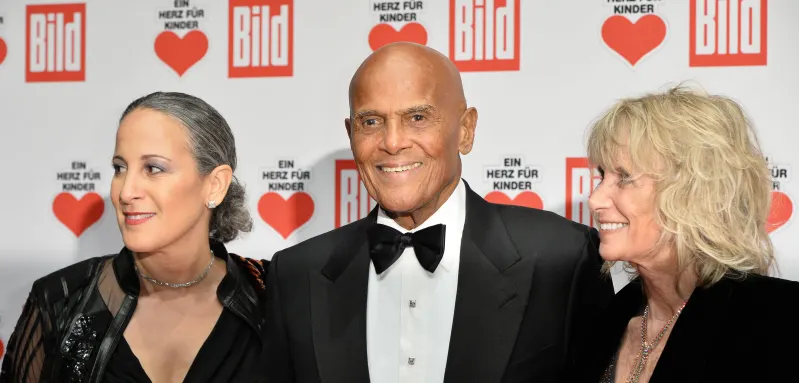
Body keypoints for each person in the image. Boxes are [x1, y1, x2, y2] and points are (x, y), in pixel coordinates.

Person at [264, 42, 614, 383]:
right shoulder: (296, 274)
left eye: (417, 117)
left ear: (465, 129)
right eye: (370, 122)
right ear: (350, 132)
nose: (392, 142)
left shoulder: (563, 257)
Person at [0, 92, 268, 383]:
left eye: (153, 168)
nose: (126, 192)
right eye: (119, 168)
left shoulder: (272, 293)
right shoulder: (60, 299)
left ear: (215, 186)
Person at [574, 85, 799, 382]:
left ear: (692, 192)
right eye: (602, 176)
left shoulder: (780, 319)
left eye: (624, 177)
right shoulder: (605, 320)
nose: (595, 199)